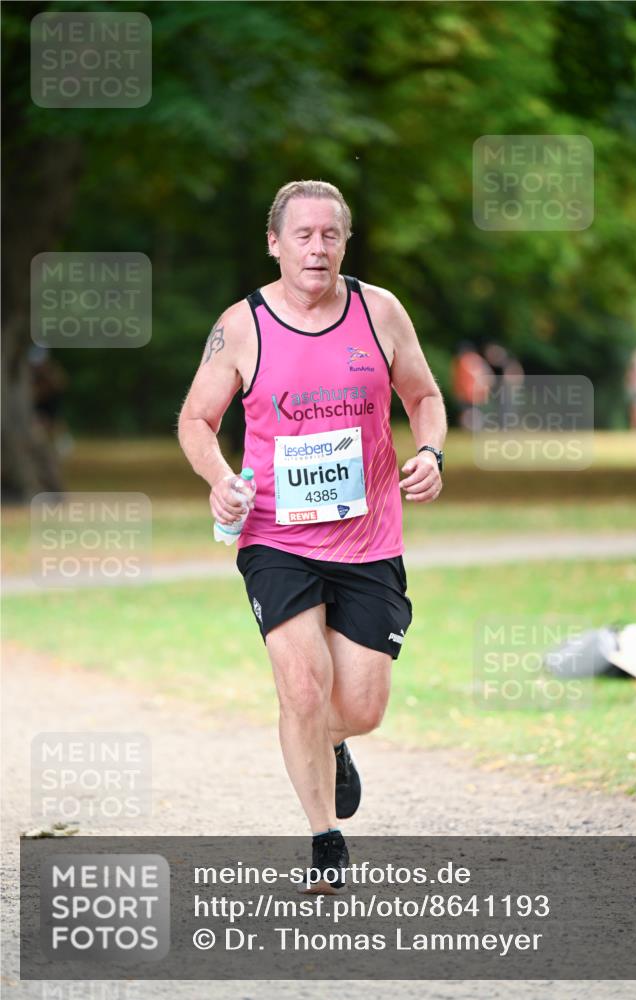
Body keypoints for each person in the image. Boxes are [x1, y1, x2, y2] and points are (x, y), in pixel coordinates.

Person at [178, 180, 446, 892]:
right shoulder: (242, 325)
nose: (317, 247)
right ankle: (324, 841)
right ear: (274, 243)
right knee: (301, 686)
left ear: (344, 243)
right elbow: (195, 420)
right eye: (302, 234)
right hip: (274, 536)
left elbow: (422, 396)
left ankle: (334, 741)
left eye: (330, 234)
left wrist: (430, 453)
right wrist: (218, 477)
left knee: (361, 707)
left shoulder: (379, 311)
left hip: (369, 537)